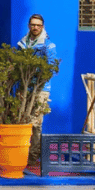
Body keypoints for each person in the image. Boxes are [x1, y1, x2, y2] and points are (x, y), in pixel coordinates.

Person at [17, 13, 57, 164]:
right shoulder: (22, 43)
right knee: (21, 120)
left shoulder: (48, 45)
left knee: (36, 123)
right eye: (33, 25)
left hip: (40, 88)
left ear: (42, 27)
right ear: (29, 26)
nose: (35, 27)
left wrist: (38, 78)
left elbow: (51, 67)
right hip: (24, 87)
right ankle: (20, 153)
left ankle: (33, 157)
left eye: (38, 25)